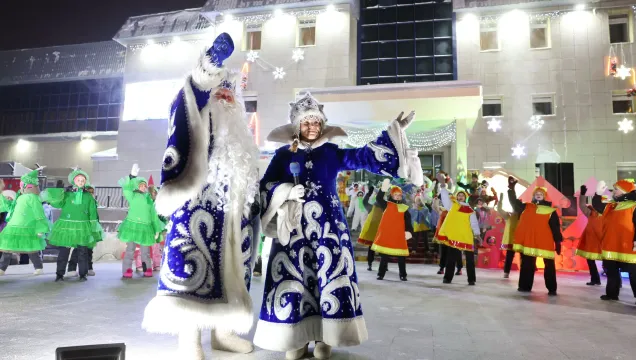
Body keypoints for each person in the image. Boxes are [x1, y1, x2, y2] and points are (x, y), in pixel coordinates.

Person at [255, 91, 421, 359]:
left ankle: (326, 336)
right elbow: (265, 186)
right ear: (297, 125)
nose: (312, 127)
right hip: (294, 227)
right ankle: (295, 336)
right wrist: (286, 192)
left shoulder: (331, 152)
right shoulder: (283, 155)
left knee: (328, 277)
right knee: (295, 277)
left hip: (329, 228)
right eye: (307, 122)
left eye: (316, 122)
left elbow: (364, 157)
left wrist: (394, 132)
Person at [141, 33, 262, 360]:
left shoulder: (240, 132)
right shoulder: (197, 112)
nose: (224, 96)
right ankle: (189, 338)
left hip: (233, 216)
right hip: (196, 205)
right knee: (190, 271)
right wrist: (209, 66)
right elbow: (191, 91)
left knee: (232, 274)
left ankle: (224, 333)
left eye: (230, 93)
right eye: (219, 89)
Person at [507, 176, 563, 295]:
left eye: (541, 193)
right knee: (527, 264)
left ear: (544, 196)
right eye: (536, 193)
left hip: (545, 242)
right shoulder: (526, 207)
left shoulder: (550, 211)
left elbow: (555, 228)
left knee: (549, 266)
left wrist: (558, 242)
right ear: (533, 196)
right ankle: (524, 286)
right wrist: (511, 190)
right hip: (530, 242)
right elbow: (514, 203)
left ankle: (552, 289)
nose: (538, 194)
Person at [45, 169, 100, 282]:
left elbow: (92, 211)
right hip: (67, 226)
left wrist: (93, 225)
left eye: (82, 180)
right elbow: (57, 203)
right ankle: (59, 274)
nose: (80, 182)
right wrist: (58, 190)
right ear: (74, 181)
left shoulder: (88, 196)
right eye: (78, 180)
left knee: (82, 252)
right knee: (64, 251)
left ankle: (83, 274)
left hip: (82, 227)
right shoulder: (67, 194)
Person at [591, 180, 636, 304]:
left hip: (629, 245)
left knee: (635, 272)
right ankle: (612, 294)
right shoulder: (611, 206)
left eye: (616, 189)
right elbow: (597, 205)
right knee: (611, 270)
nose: (614, 191)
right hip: (611, 245)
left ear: (625, 191)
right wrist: (597, 193)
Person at [117, 165, 164, 278]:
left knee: (145, 251)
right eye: (141, 185)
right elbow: (127, 189)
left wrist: (157, 229)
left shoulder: (149, 200)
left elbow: (153, 216)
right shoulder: (132, 196)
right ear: (137, 186)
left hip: (146, 228)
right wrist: (132, 176)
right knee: (130, 249)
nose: (143, 187)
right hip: (133, 226)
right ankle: (127, 269)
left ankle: (147, 269)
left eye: (144, 185)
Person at [0, 169, 49, 276]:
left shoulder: (33, 198)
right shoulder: (20, 197)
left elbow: (38, 213)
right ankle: (2, 268)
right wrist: (4, 199)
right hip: (13, 226)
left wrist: (40, 228)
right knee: (7, 248)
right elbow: (11, 208)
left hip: (27, 226)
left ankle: (38, 267)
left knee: (31, 248)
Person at [436, 174, 481, 285]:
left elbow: (474, 222)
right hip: (455, 236)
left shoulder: (470, 209)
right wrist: (442, 186)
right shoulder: (452, 206)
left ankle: (471, 279)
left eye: (462, 195)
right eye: (459, 195)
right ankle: (447, 278)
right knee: (451, 258)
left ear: (465, 197)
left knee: (470, 259)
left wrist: (477, 234)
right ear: (456, 197)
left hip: (466, 236)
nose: (460, 197)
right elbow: (446, 198)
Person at [371, 179, 413, 281]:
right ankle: (381, 274)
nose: (398, 196)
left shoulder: (404, 208)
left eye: (399, 194)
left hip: (399, 235)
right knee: (384, 256)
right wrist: (383, 189)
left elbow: (408, 221)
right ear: (392, 195)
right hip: (388, 234)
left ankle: (403, 275)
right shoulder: (386, 204)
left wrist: (409, 231)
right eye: (396, 194)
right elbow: (379, 198)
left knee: (401, 256)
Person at [67, 184, 101, 277]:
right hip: (81, 228)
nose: (91, 194)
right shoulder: (80, 201)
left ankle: (89, 268)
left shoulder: (93, 201)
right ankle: (71, 268)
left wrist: (96, 227)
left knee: (89, 250)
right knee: (78, 249)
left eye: (92, 192)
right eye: (89, 192)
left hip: (91, 229)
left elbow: (95, 216)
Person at [577, 184, 605, 286]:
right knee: (590, 260)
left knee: (608, 261)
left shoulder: (608, 213)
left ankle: (615, 282)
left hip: (604, 240)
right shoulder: (591, 212)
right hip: (591, 239)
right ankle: (595, 279)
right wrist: (583, 195)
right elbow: (582, 206)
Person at [357, 185, 382, 271]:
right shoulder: (373, 207)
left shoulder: (385, 207)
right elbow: (364, 201)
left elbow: (364, 202)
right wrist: (369, 193)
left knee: (382, 250)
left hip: (381, 232)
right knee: (372, 250)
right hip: (373, 232)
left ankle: (383, 266)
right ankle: (370, 264)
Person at [497, 193, 519, 279]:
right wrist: (500, 201)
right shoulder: (508, 215)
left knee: (524, 256)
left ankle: (528, 270)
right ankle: (506, 272)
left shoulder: (523, 215)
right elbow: (499, 209)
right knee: (509, 256)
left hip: (521, 239)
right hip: (511, 239)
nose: (515, 208)